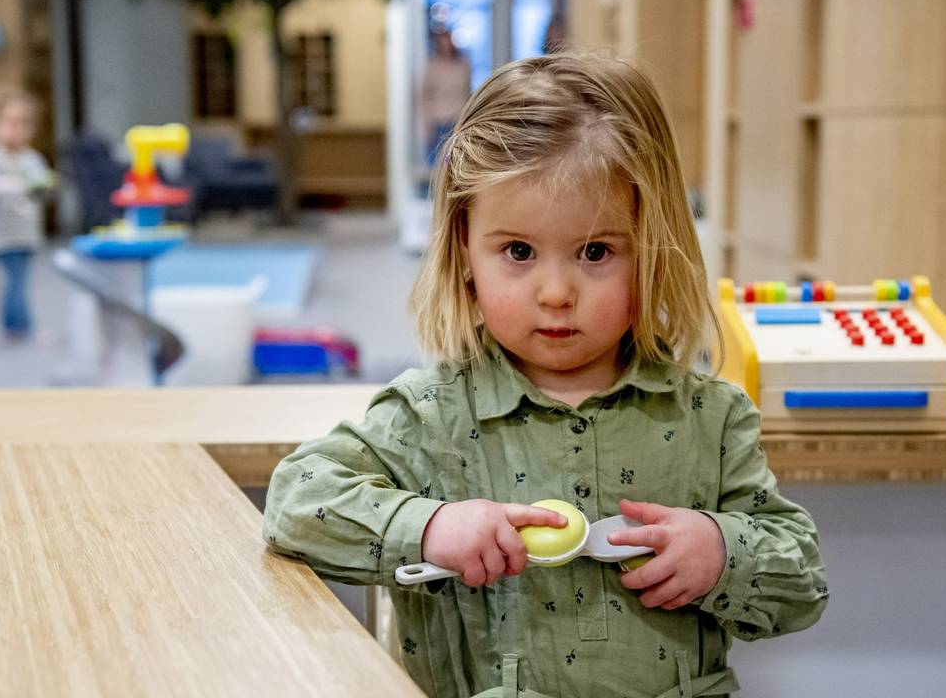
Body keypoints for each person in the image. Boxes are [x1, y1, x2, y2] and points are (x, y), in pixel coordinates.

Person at [263, 53, 827, 698]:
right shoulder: (429, 414)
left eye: (596, 251)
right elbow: (295, 500)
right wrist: (428, 527)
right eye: (518, 251)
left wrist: (723, 552)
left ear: (652, 244)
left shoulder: (712, 418)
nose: (556, 292)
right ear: (465, 250)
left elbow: (804, 584)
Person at [0, 88, 52, 339]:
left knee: (18, 281)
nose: (15, 129)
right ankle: (24, 327)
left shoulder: (32, 159)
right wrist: (3, 185)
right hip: (2, 237)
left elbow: (41, 192)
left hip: (27, 234)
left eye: (22, 123)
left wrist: (42, 186)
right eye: (8, 122)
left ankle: (12, 326)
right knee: (17, 281)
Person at [419, 27, 472, 168]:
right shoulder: (432, 65)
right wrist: (426, 125)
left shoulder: (462, 64)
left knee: (454, 163)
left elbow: (467, 92)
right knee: (435, 164)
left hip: (456, 119)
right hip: (438, 121)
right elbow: (425, 97)